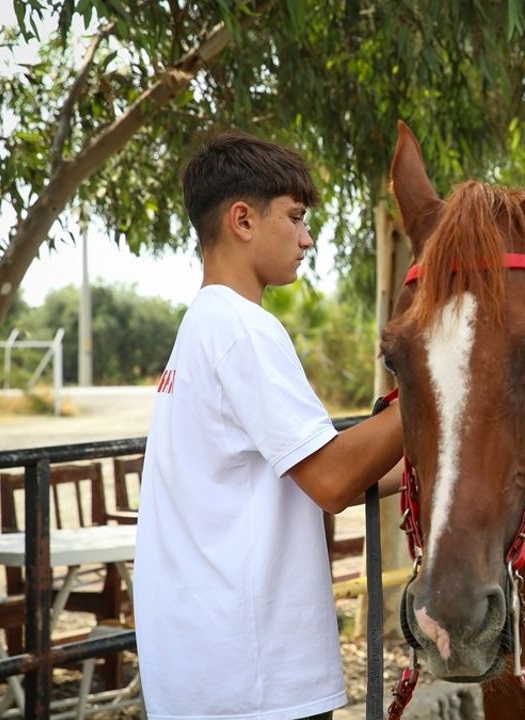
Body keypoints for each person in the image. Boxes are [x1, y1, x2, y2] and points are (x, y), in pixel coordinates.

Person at [134, 131, 403, 720]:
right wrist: (439, 384)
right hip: (252, 679)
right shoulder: (244, 329)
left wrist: (428, 463)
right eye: (296, 217)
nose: (307, 238)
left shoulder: (203, 324)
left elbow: (306, 476)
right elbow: (332, 481)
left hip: (206, 667)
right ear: (242, 220)